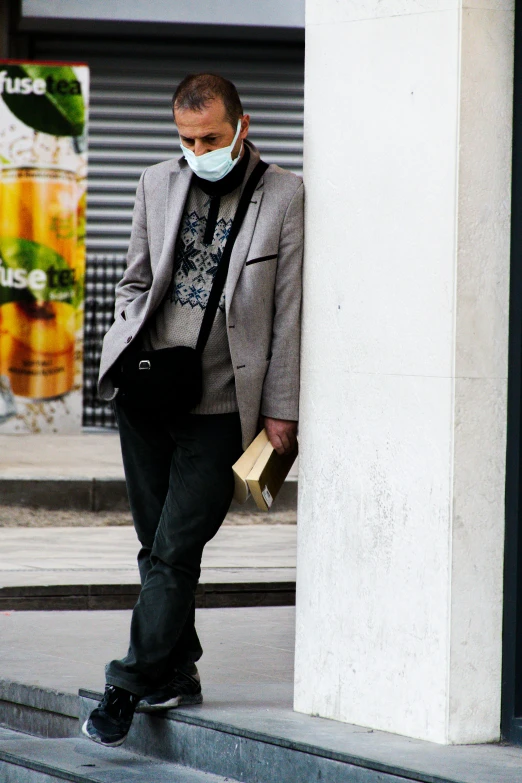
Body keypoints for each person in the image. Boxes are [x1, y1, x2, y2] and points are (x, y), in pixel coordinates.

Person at [83, 73, 303, 747]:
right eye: (186, 138)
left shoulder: (284, 193)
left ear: (241, 126)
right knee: (158, 548)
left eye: (209, 137)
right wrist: (124, 339)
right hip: (146, 393)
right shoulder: (156, 182)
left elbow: (288, 309)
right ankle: (177, 665)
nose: (198, 149)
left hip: (219, 407)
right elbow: (135, 276)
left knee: (176, 549)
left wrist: (281, 409)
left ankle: (126, 682)